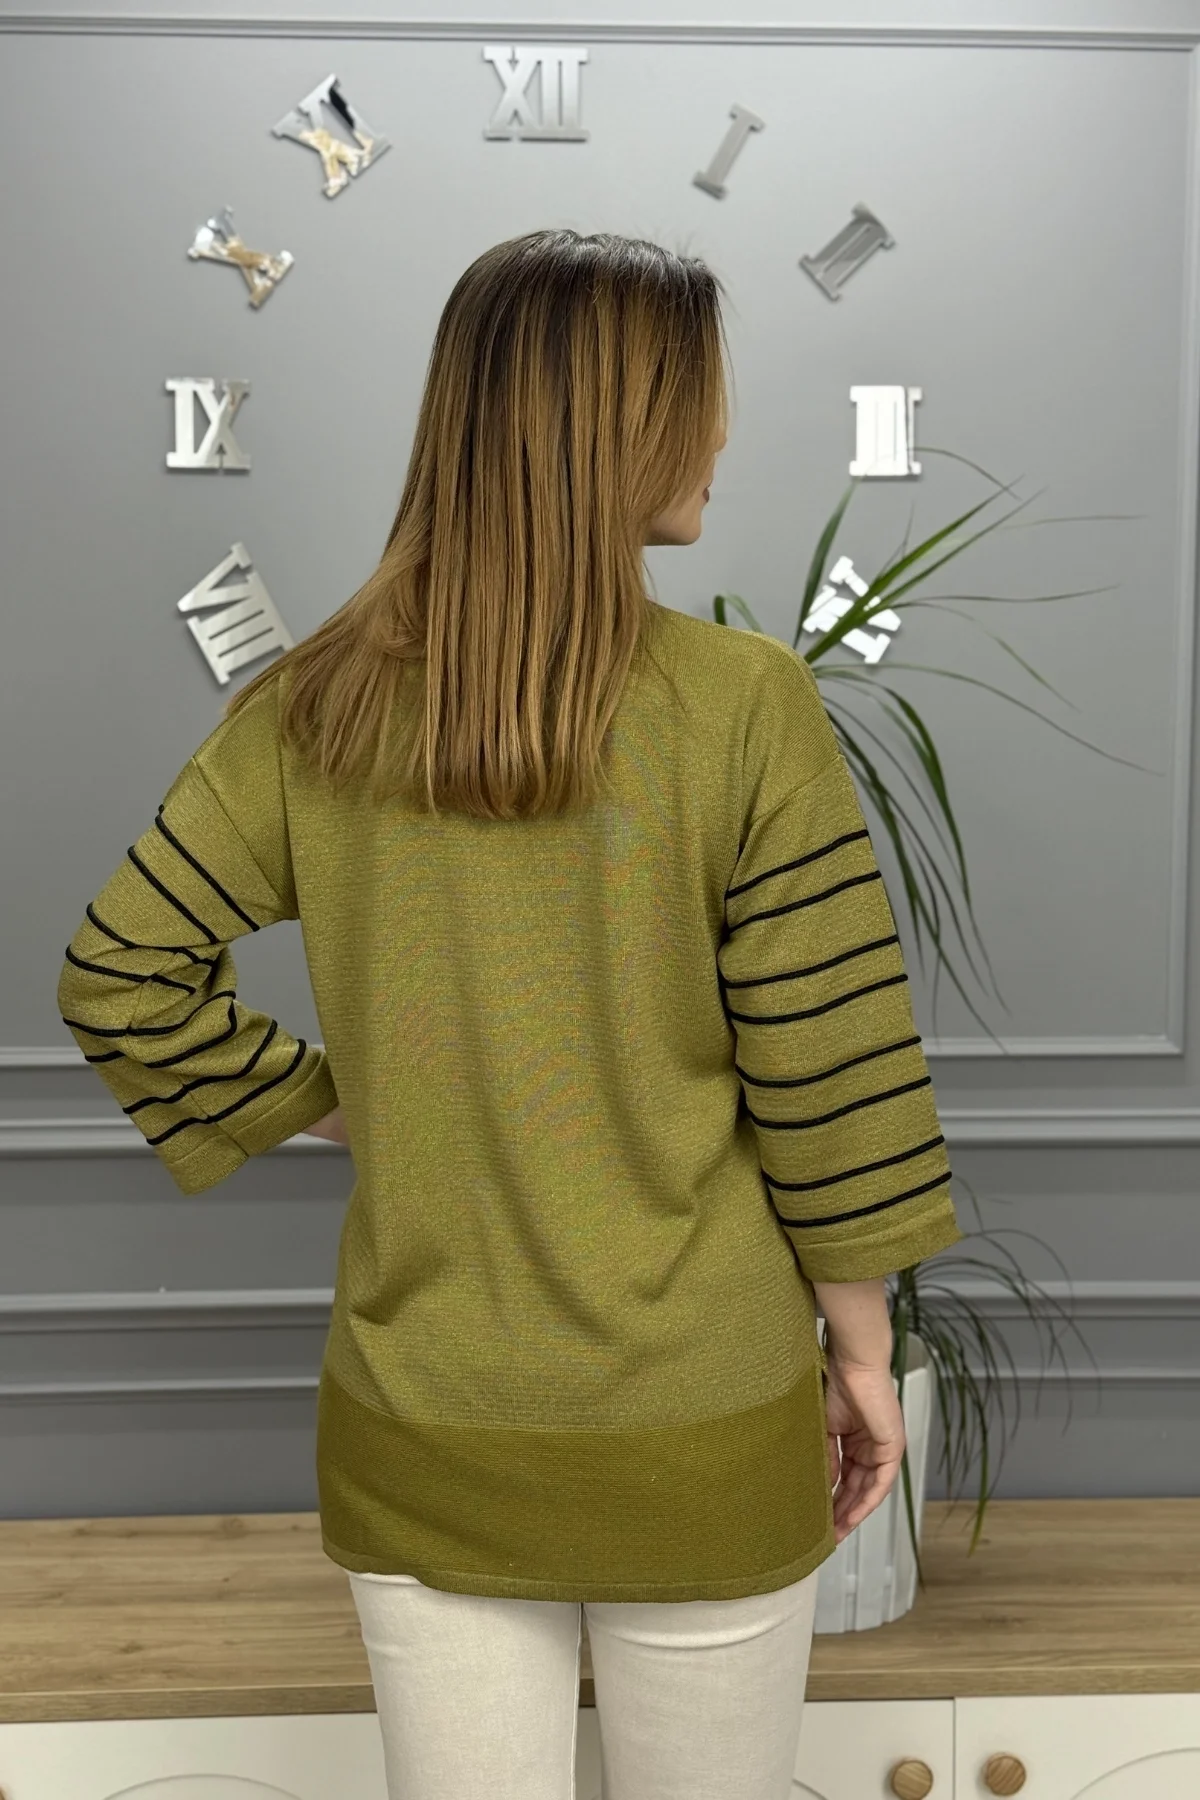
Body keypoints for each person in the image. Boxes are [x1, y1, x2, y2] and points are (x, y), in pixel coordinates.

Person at [57, 228, 963, 1800]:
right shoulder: (745, 706)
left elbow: (119, 973)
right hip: (702, 1421)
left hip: (428, 1428)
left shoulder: (315, 708)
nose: (725, 431)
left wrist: (352, 1103)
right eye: (697, 396)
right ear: (614, 431)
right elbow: (831, 1079)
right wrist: (867, 1359)